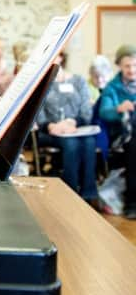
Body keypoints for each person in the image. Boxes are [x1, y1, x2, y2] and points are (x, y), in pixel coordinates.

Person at [35, 52, 99, 206]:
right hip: (49, 130)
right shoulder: (40, 83)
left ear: (61, 57)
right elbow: (37, 111)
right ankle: (71, 193)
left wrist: (72, 122)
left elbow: (86, 111)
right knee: (71, 144)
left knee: (90, 142)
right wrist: (50, 125)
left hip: (76, 128)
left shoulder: (78, 81)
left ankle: (89, 194)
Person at [98, 44, 136, 219]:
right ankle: (132, 203)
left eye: (135, 65)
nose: (132, 69)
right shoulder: (112, 88)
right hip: (121, 136)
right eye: (127, 66)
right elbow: (104, 112)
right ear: (119, 66)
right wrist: (119, 108)